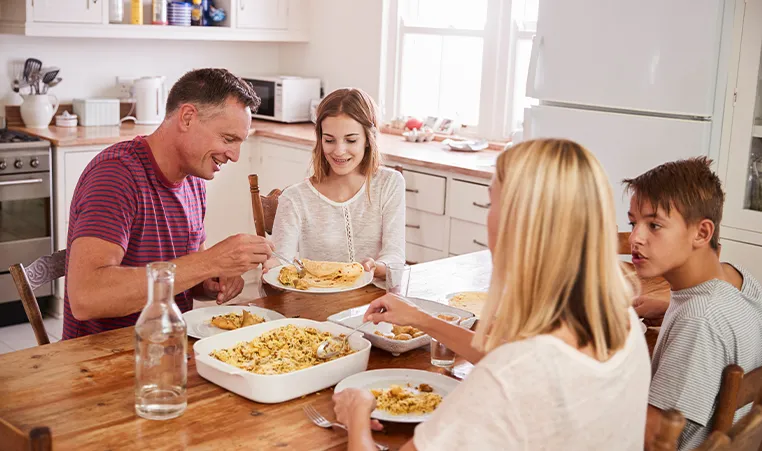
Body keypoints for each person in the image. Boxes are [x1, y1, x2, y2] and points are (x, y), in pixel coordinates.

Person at [333, 139, 651, 450]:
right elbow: (508, 360)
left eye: (491, 202)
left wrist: (357, 415)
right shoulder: (624, 322)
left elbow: (510, 372)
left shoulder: (511, 377)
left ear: (518, 223)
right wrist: (421, 320)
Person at [63, 68, 274, 340]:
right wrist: (209, 262)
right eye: (228, 138)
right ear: (187, 117)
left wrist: (210, 280)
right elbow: (87, 297)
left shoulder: (193, 180)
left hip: (169, 347)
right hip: (101, 359)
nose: (234, 155)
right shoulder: (116, 175)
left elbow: (184, 273)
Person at [623, 157, 762, 450]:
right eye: (633, 223)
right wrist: (671, 305)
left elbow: (650, 440)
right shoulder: (739, 280)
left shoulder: (699, 321)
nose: (635, 238)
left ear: (702, 233)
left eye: (654, 225)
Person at [266, 88, 405, 279]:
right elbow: (283, 264)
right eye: (329, 140)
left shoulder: (389, 183)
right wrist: (273, 266)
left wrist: (376, 267)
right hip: (320, 304)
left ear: (368, 139)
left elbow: (395, 257)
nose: (339, 151)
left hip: (377, 302)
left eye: (351, 140)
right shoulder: (295, 198)